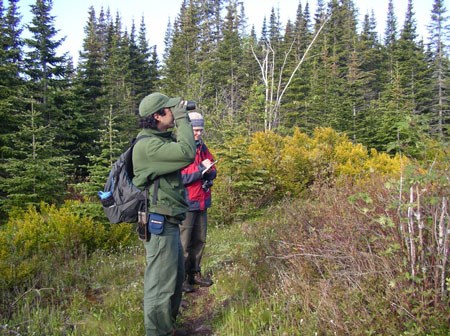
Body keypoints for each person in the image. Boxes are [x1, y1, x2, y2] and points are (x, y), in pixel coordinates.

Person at [132, 92, 196, 336]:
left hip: (168, 221)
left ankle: (166, 328)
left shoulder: (157, 140)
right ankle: (157, 332)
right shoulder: (149, 146)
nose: (175, 111)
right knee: (160, 285)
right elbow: (187, 152)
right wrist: (183, 118)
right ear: (157, 116)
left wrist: (178, 119)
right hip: (159, 223)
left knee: (173, 279)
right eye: (170, 109)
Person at [179, 112, 217, 293]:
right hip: (186, 202)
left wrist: (210, 174)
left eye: (200, 130)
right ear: (187, 129)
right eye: (195, 130)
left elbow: (212, 165)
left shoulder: (202, 146)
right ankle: (182, 279)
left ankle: (194, 274)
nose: (198, 133)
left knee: (200, 239)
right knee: (184, 243)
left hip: (202, 199)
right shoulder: (180, 147)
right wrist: (201, 169)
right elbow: (180, 176)